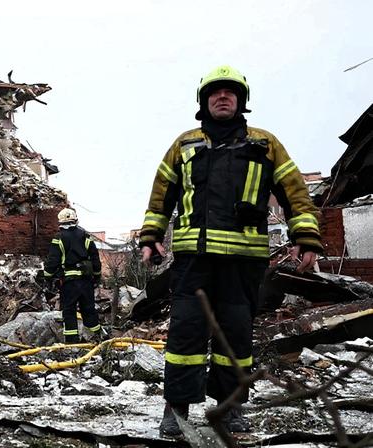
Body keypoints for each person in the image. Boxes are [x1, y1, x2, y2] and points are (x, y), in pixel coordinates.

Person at [138, 66, 322, 437]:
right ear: (204, 101)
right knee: (185, 335)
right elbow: (161, 196)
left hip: (243, 262)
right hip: (194, 260)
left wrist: (305, 237)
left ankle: (231, 407)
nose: (223, 97)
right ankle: (176, 410)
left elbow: (296, 194)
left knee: (234, 337)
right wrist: (150, 235)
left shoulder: (266, 144)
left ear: (241, 101)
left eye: (230, 92)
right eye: (215, 92)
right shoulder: (184, 144)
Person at [43, 208, 105, 343]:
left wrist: (47, 276)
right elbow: (95, 258)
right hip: (86, 281)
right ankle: (100, 339)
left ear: (60, 222)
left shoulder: (58, 238)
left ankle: (72, 344)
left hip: (69, 283)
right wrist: (97, 276)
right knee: (89, 310)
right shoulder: (86, 237)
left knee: (69, 312)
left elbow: (52, 261)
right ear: (76, 220)